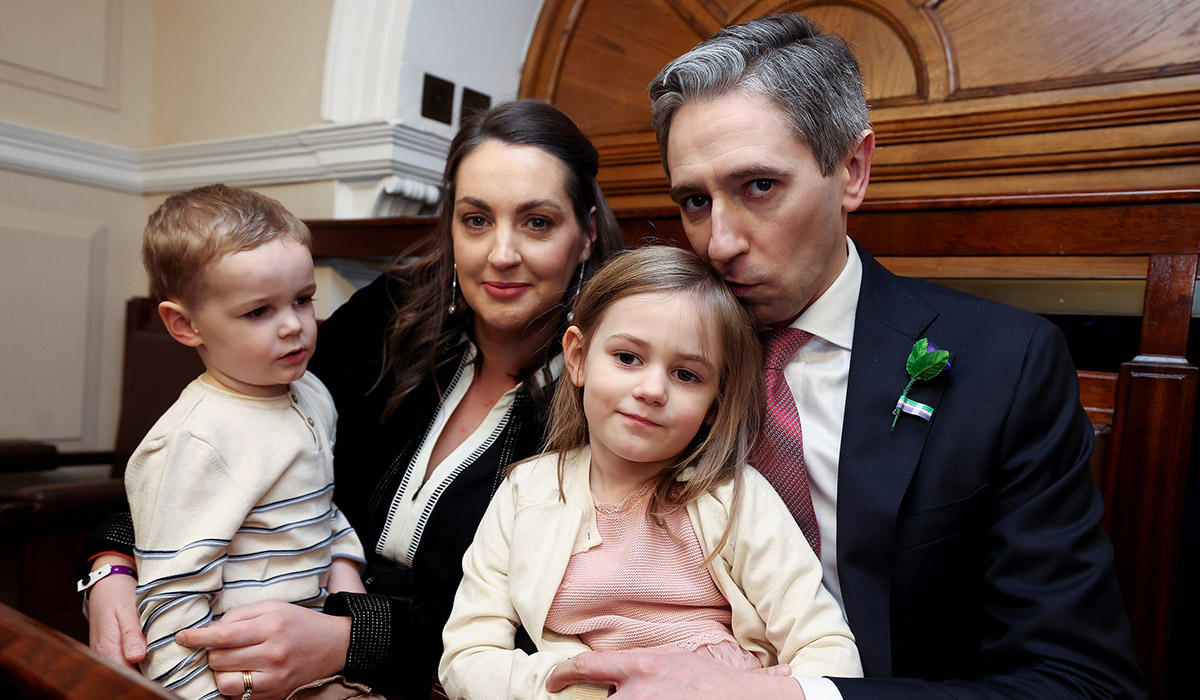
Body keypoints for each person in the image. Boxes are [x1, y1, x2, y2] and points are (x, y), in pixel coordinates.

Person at [545, 13, 1147, 700]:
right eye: (694, 201)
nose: (718, 242)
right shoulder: (653, 367)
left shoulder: (1005, 366)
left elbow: (1083, 684)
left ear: (851, 170)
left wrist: (787, 697)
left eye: (758, 187)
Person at [77, 99, 624, 700]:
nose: (500, 253)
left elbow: (566, 627)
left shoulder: (618, 390)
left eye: (537, 222)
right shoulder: (387, 316)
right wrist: (112, 562)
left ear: (586, 234)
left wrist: (349, 639)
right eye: (475, 220)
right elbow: (226, 441)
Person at [439, 246, 862, 700]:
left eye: (686, 374)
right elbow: (466, 657)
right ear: (578, 358)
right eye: (627, 358)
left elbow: (829, 649)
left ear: (713, 404)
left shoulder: (736, 499)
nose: (652, 390)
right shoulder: (526, 494)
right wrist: (586, 689)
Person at [120, 184, 369, 700]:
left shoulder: (312, 393)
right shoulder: (197, 440)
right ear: (184, 325)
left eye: (303, 300)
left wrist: (348, 577)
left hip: (311, 660)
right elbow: (171, 604)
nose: (294, 327)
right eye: (259, 311)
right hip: (232, 678)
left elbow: (319, 503)